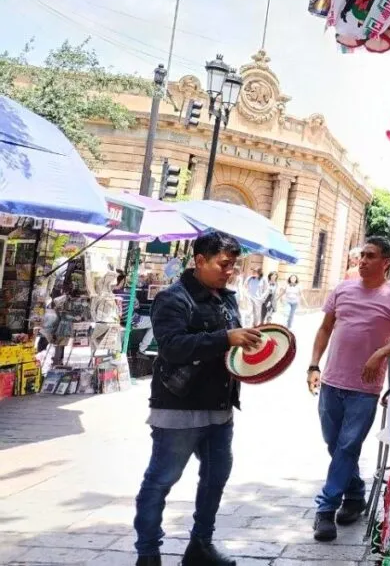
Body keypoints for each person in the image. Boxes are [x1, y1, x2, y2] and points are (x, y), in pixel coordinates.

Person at [133, 232, 262, 566]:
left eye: (233, 266)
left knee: (215, 478)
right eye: (223, 264)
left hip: (219, 407)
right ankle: (148, 553)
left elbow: (231, 349)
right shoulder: (173, 299)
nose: (229, 272)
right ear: (200, 260)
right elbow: (172, 346)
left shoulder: (227, 299)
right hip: (178, 407)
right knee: (161, 480)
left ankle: (200, 546)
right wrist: (225, 337)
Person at [307, 236, 390, 542]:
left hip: (365, 389)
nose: (363, 261)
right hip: (331, 382)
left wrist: (380, 353)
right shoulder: (342, 289)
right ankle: (354, 493)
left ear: (387, 263)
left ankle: (326, 509)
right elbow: (325, 328)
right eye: (362, 255)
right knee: (333, 444)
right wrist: (314, 365)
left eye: (370, 256)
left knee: (348, 446)